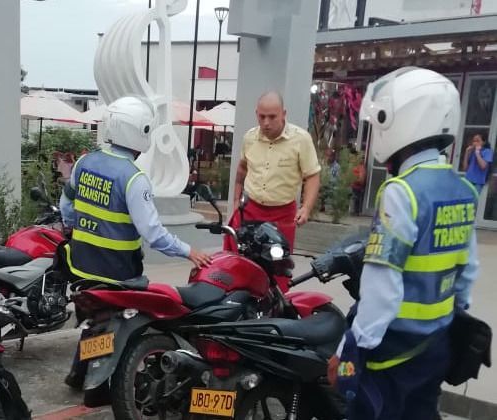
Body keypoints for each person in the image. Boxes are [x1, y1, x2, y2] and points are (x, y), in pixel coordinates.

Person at [328, 67, 480, 420]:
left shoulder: (402, 193)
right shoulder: (463, 190)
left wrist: (350, 348)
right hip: (436, 346)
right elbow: (467, 273)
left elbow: (383, 292)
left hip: (391, 355)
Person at [59, 95, 212, 395]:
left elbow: (66, 203)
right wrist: (188, 251)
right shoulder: (133, 178)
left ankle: (79, 374)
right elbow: (153, 233)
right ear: (140, 131)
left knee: (95, 319)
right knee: (118, 325)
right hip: (117, 269)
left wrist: (75, 227)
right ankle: (99, 384)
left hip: (80, 263)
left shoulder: (84, 162)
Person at [226, 91, 321, 292]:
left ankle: (274, 313)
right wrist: (236, 199)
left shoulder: (301, 139)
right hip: (250, 210)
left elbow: (312, 175)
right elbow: (242, 169)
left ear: (283, 114)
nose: (266, 122)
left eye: (272, 116)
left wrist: (306, 207)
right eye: (262, 117)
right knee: (239, 264)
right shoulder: (250, 138)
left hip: (282, 215)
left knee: (277, 270)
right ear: (256, 114)